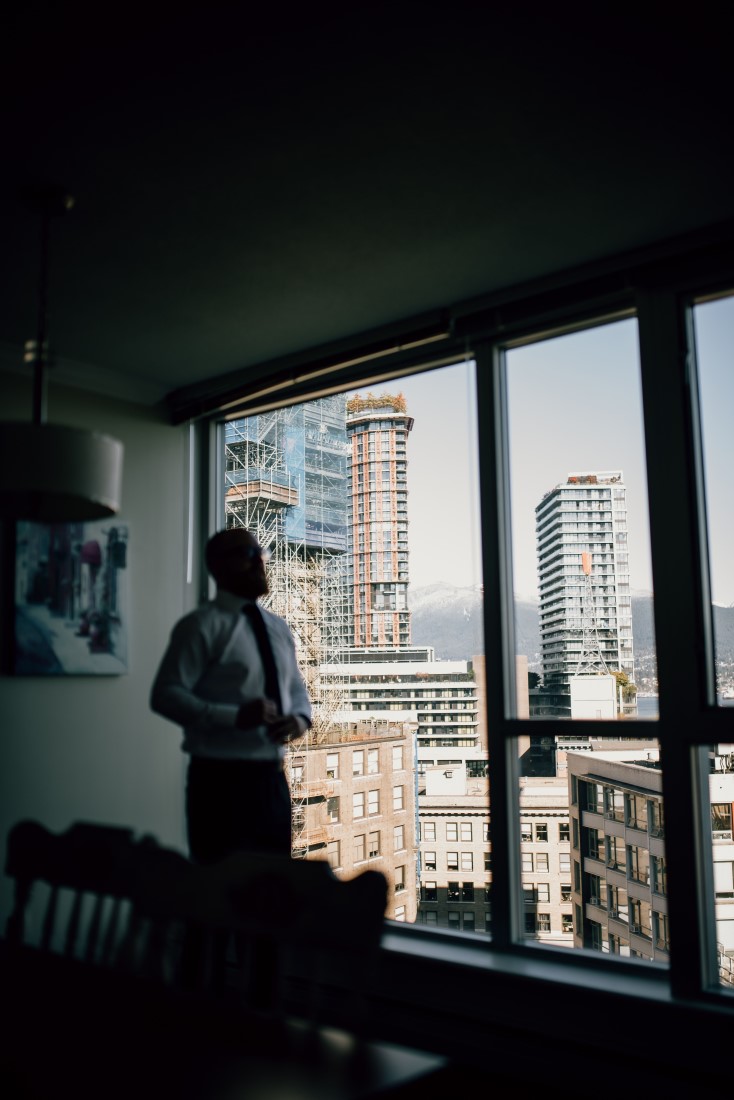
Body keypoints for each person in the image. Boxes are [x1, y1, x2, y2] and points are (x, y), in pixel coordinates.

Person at [150, 527, 312, 864]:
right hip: (219, 785)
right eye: (247, 555)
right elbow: (165, 694)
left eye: (260, 554)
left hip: (272, 781)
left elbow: (295, 686)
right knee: (219, 896)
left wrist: (298, 719)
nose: (259, 563)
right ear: (217, 567)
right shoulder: (200, 625)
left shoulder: (278, 627)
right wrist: (234, 716)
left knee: (273, 890)